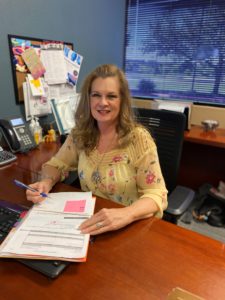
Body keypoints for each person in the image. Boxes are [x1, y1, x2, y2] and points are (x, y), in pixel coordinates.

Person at [26, 64, 168, 235]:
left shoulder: (138, 139)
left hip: (129, 226)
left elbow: (156, 194)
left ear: (122, 100)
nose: (102, 102)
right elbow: (57, 164)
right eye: (96, 95)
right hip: (91, 223)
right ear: (88, 98)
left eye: (111, 96)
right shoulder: (80, 134)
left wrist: (126, 214)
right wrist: (46, 182)